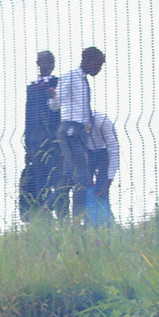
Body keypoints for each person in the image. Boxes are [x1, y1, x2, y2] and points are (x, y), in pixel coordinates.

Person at [54, 47, 105, 220]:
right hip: (71, 130)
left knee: (69, 174)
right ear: (89, 61)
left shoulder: (83, 79)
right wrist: (53, 96)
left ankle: (51, 208)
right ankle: (76, 218)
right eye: (98, 64)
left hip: (80, 132)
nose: (99, 69)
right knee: (81, 176)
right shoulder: (70, 76)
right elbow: (55, 104)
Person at [19, 51, 60, 221]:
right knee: (38, 180)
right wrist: (28, 146)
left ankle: (62, 216)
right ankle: (42, 219)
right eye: (41, 62)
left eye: (48, 62)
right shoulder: (32, 87)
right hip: (35, 141)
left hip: (53, 139)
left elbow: (60, 112)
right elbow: (28, 116)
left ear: (53, 64)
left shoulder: (58, 83)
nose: (44, 65)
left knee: (56, 180)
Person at [81, 109, 121, 226]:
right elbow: (79, 149)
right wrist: (87, 176)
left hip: (104, 152)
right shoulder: (75, 124)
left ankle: (106, 224)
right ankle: (89, 223)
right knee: (85, 188)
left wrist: (108, 180)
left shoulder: (103, 121)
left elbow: (113, 150)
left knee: (101, 190)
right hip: (87, 153)